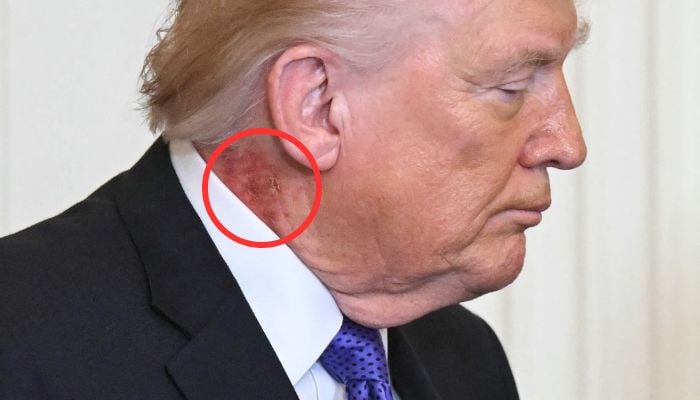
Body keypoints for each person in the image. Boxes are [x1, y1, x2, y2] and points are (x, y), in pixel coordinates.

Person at [0, 0, 589, 399]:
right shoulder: (20, 347)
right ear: (316, 104)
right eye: (512, 87)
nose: (568, 145)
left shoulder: (464, 359)